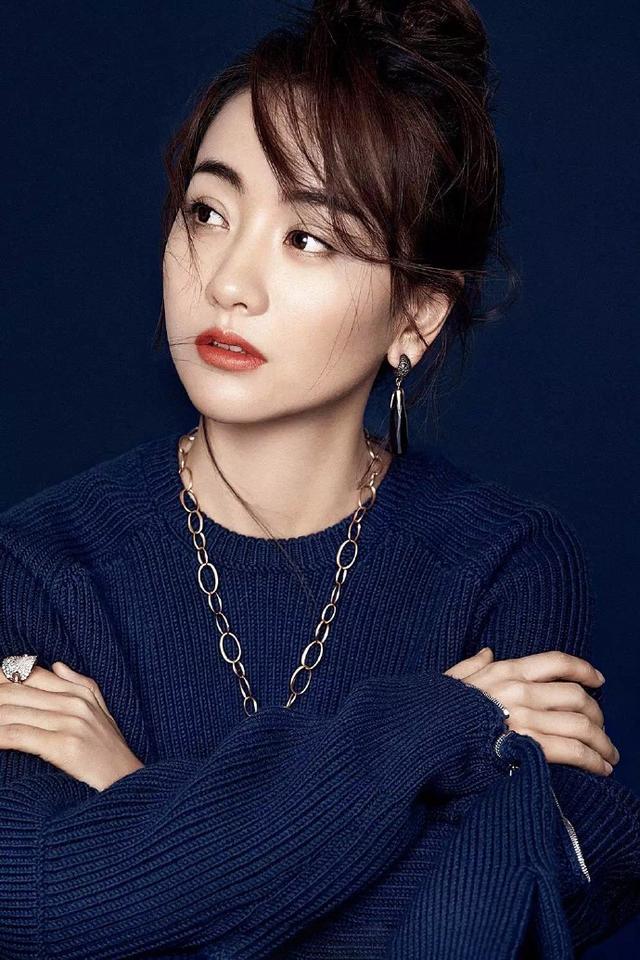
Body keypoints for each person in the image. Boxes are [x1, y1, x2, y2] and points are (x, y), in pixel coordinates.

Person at [1, 1, 638, 957]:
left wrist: (134, 807)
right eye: (208, 212)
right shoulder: (40, 567)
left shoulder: (504, 564)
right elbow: (37, 900)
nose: (228, 282)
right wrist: (440, 722)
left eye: (308, 238)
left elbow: (474, 927)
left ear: (416, 316)